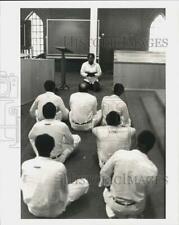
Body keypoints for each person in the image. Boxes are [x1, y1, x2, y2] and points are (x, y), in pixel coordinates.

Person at [21, 134, 89, 218]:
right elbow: (63, 190)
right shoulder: (59, 166)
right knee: (84, 184)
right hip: (55, 210)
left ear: (35, 146)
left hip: (33, 209)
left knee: (24, 180)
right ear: (53, 148)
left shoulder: (26, 164)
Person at [99, 130, 158, 218]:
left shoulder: (120, 154)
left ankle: (114, 214)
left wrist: (109, 187)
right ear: (151, 147)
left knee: (106, 192)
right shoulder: (153, 169)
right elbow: (148, 191)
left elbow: (103, 172)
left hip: (116, 206)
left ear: (137, 141)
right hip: (136, 208)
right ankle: (132, 216)